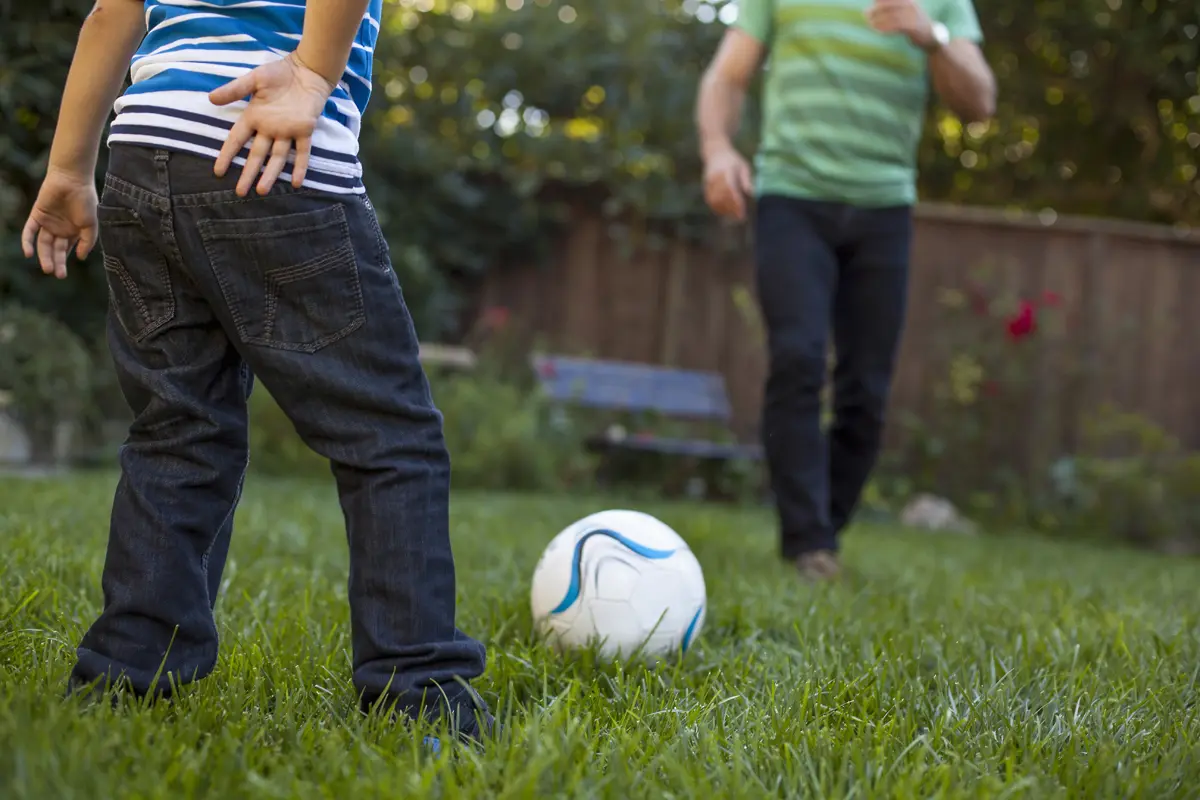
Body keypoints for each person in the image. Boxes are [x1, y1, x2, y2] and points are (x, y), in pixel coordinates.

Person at [21, 0, 493, 741]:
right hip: (267, 139)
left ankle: (125, 679)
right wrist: (312, 71)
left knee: (179, 433)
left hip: (143, 150)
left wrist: (69, 168)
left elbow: (112, 10)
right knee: (390, 439)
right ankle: (419, 693)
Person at [696, 0, 995, 580]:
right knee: (797, 357)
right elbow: (727, 75)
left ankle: (823, 531)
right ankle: (808, 542)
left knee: (866, 390)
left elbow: (980, 101)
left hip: (884, 207)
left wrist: (931, 36)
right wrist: (717, 150)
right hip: (792, 197)